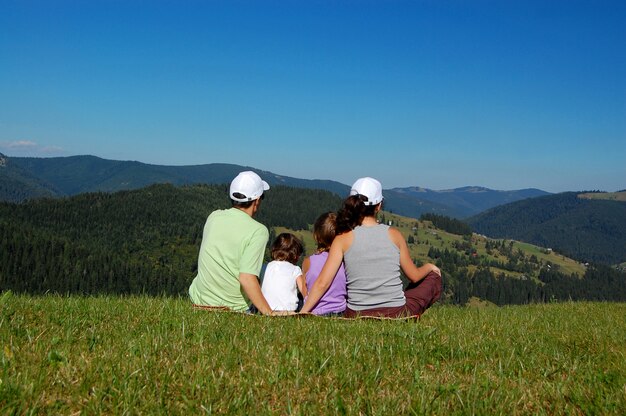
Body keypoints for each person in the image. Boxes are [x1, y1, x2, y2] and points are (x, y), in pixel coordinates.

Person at [300, 177, 442, 318]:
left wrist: (303, 312)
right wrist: (430, 266)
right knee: (432, 278)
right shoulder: (394, 234)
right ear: (378, 206)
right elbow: (415, 276)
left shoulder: (342, 239)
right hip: (395, 312)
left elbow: (323, 283)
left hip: (356, 313)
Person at [189, 171, 274, 315]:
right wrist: (269, 313)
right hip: (234, 309)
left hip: (198, 301)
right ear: (257, 200)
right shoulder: (259, 231)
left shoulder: (213, 217)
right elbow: (246, 278)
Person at [302, 212, 347, 316]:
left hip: (314, 311)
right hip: (340, 311)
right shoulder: (344, 262)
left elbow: (305, 290)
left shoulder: (308, 262)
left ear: (317, 236)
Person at [261, 233, 307, 312]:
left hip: (266, 309)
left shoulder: (264, 267)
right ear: (295, 254)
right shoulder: (295, 269)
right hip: (288, 310)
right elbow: (304, 291)